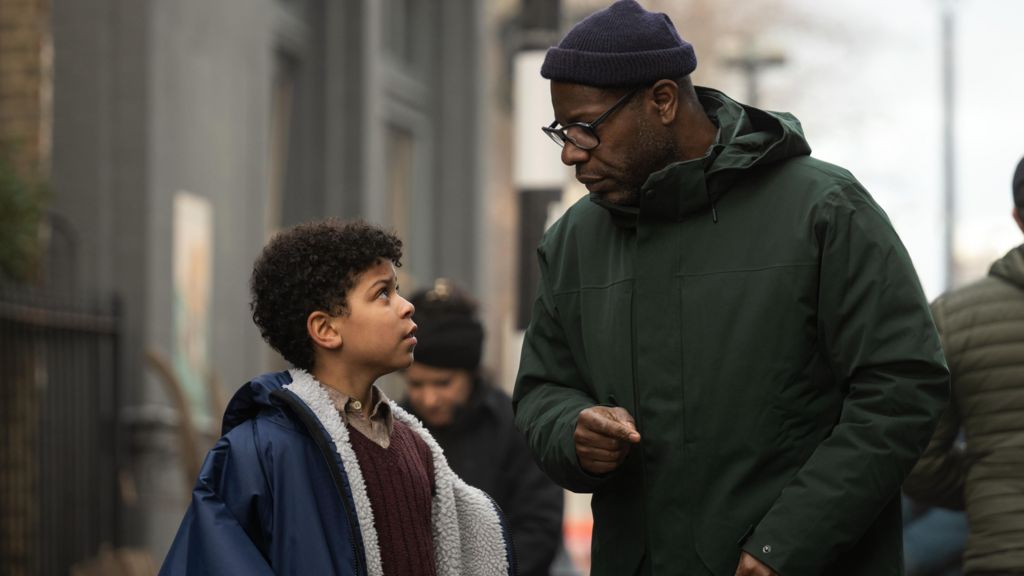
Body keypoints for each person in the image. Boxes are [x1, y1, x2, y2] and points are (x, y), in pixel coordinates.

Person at [511, 2, 950, 575]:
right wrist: (572, 432)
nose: (571, 152)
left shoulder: (824, 210)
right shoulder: (572, 241)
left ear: (663, 101)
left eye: (586, 129)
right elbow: (543, 387)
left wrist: (785, 545)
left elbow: (901, 388)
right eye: (560, 132)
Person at [160, 220, 514, 575]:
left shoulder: (415, 446)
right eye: (382, 294)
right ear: (326, 329)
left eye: (398, 289)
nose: (406, 306)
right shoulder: (259, 453)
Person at [903, 156, 1024, 575]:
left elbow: (917, 459)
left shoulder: (953, 317)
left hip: (1003, 555)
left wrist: (984, 486)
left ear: (1017, 217)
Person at [400, 279, 565, 576]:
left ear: (470, 374)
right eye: (416, 384)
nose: (429, 398)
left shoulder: (516, 427)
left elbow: (538, 529)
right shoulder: (395, 428)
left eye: (443, 383)